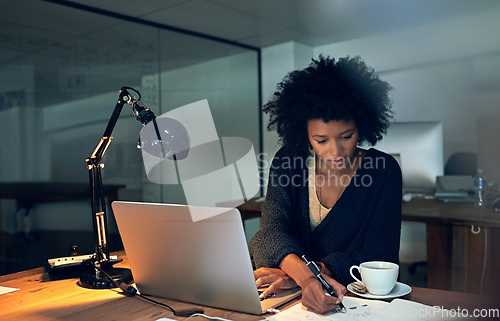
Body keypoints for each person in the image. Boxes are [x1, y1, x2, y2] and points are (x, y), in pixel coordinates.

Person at [249, 55, 402, 314]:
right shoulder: (289, 160)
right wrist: (306, 278)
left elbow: (380, 255)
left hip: (349, 302)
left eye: (346, 136)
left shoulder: (383, 171)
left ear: (362, 126)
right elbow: (270, 235)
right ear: (304, 134)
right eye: (321, 140)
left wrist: (307, 274)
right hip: (285, 301)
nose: (336, 151)